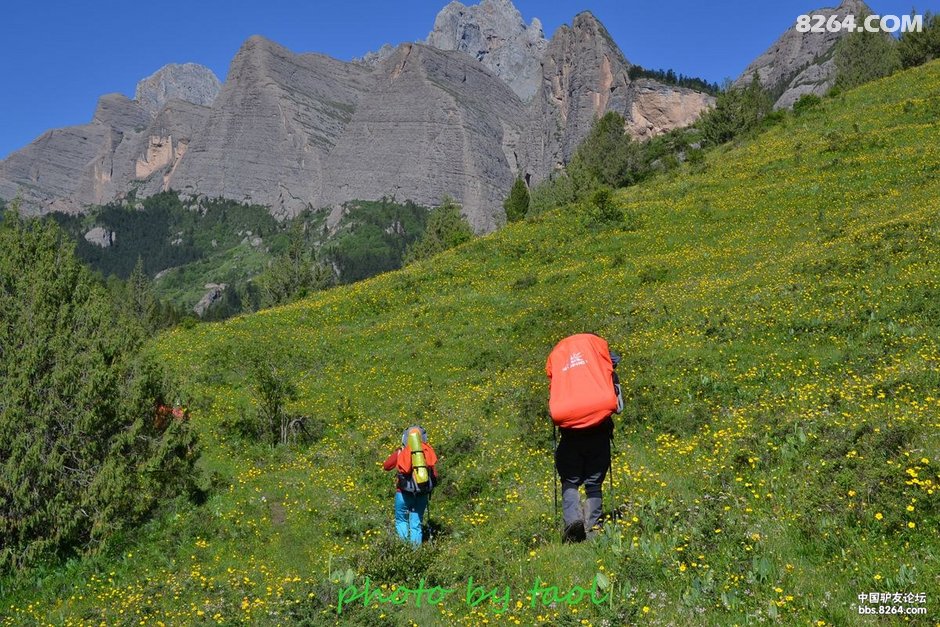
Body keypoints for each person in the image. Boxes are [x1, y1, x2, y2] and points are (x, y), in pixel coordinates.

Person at [546, 333, 622, 543]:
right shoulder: (599, 353)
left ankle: (572, 521)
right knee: (594, 481)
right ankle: (594, 528)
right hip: (599, 430)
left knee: (570, 479)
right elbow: (614, 364)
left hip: (570, 433)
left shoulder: (560, 358)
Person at [382, 425, 439, 546]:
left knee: (401, 520)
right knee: (416, 523)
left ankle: (403, 548)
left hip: (403, 492)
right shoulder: (427, 451)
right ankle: (415, 552)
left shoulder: (401, 452)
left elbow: (386, 466)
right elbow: (435, 474)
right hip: (422, 492)